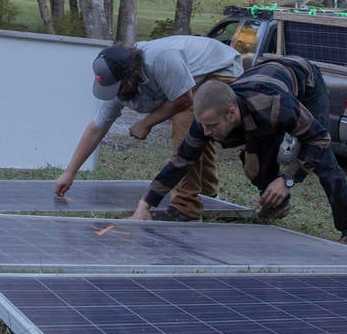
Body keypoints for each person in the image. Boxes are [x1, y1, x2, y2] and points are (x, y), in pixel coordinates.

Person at [131, 56, 347, 248]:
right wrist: (146, 204)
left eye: (212, 126)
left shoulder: (276, 105)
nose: (207, 132)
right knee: (253, 167)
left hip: (305, 83)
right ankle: (277, 204)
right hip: (259, 97)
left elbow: (318, 139)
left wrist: (287, 179)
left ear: (231, 113)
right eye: (204, 125)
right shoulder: (207, 120)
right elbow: (181, 161)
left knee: (324, 163)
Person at [54, 35, 243, 221]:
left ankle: (186, 209)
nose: (115, 95)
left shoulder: (161, 59)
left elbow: (184, 99)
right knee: (198, 133)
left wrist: (146, 123)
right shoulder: (116, 82)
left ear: (130, 76)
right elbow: (96, 128)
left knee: (184, 123)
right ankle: (209, 196)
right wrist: (70, 173)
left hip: (220, 69)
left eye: (117, 89)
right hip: (188, 83)